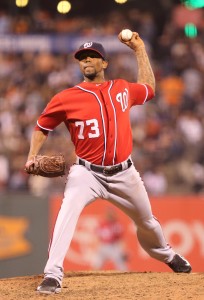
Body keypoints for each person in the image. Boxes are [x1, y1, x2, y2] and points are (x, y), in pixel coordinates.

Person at [25, 31, 192, 295]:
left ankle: (168, 255)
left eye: (93, 56)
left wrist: (139, 50)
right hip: (86, 173)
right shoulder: (66, 97)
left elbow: (149, 89)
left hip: (125, 173)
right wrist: (32, 155)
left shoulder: (122, 88)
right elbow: (41, 126)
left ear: (104, 63)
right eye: (82, 58)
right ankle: (53, 274)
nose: (87, 60)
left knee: (147, 222)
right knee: (66, 214)